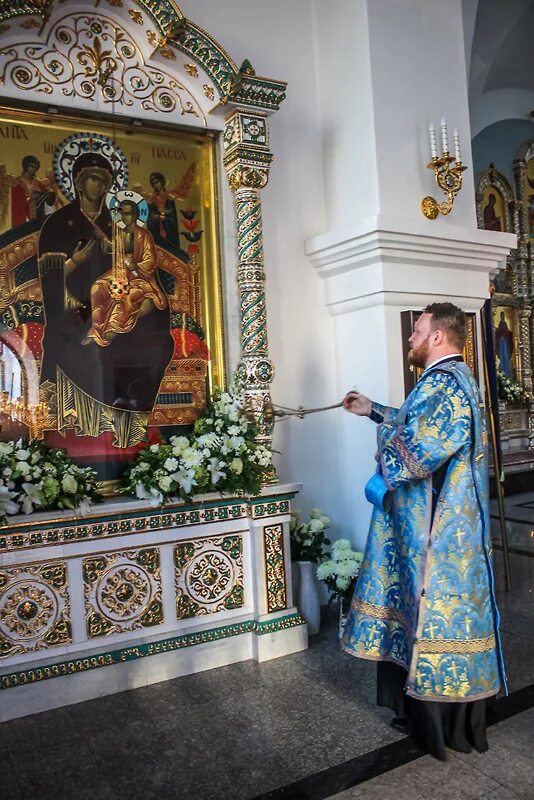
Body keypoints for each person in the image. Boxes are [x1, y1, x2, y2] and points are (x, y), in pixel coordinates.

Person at [341, 302, 506, 761]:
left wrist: (384, 452)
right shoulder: (451, 380)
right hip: (444, 525)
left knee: (434, 614)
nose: (411, 338)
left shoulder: (443, 383)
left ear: (437, 336)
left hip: (438, 530)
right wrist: (374, 411)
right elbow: (418, 426)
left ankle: (440, 723)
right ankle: (429, 715)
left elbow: (421, 447)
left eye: (418, 330)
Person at [38, 152, 174, 416]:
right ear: (78, 183)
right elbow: (50, 277)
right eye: (92, 179)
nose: (98, 186)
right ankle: (79, 414)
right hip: (76, 310)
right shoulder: (58, 223)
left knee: (159, 342)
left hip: (119, 303)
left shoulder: (116, 225)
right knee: (69, 342)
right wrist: (76, 261)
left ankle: (132, 402)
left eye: (103, 181)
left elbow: (141, 271)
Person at [86, 199, 168, 347]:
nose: (125, 217)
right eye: (123, 213)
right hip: (119, 271)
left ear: (136, 215)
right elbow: (114, 250)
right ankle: (96, 330)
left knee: (126, 294)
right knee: (97, 287)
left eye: (128, 214)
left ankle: (113, 327)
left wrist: (134, 265)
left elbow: (151, 261)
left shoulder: (144, 235)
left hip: (140, 277)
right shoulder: (120, 234)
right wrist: (102, 238)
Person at [11, 155, 55, 227]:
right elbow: (14, 203)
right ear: (25, 166)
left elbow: (48, 204)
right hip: (22, 220)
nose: (34, 169)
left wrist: (48, 197)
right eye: (31, 166)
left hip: (38, 220)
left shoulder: (40, 183)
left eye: (36, 168)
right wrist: (29, 199)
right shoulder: (16, 183)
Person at [146, 171, 180, 248]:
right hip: (156, 233)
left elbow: (173, 218)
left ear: (162, 181)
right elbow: (150, 220)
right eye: (153, 183)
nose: (156, 185)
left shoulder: (169, 198)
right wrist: (157, 217)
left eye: (157, 182)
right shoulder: (151, 200)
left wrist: (166, 218)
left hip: (169, 234)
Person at [494, 310, 514, 378]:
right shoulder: (500, 323)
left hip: (505, 343)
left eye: (503, 316)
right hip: (501, 344)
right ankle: (502, 372)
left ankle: (507, 373)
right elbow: (498, 333)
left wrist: (506, 335)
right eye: (501, 316)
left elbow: (507, 332)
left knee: (506, 357)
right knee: (503, 357)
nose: (502, 317)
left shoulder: (505, 323)